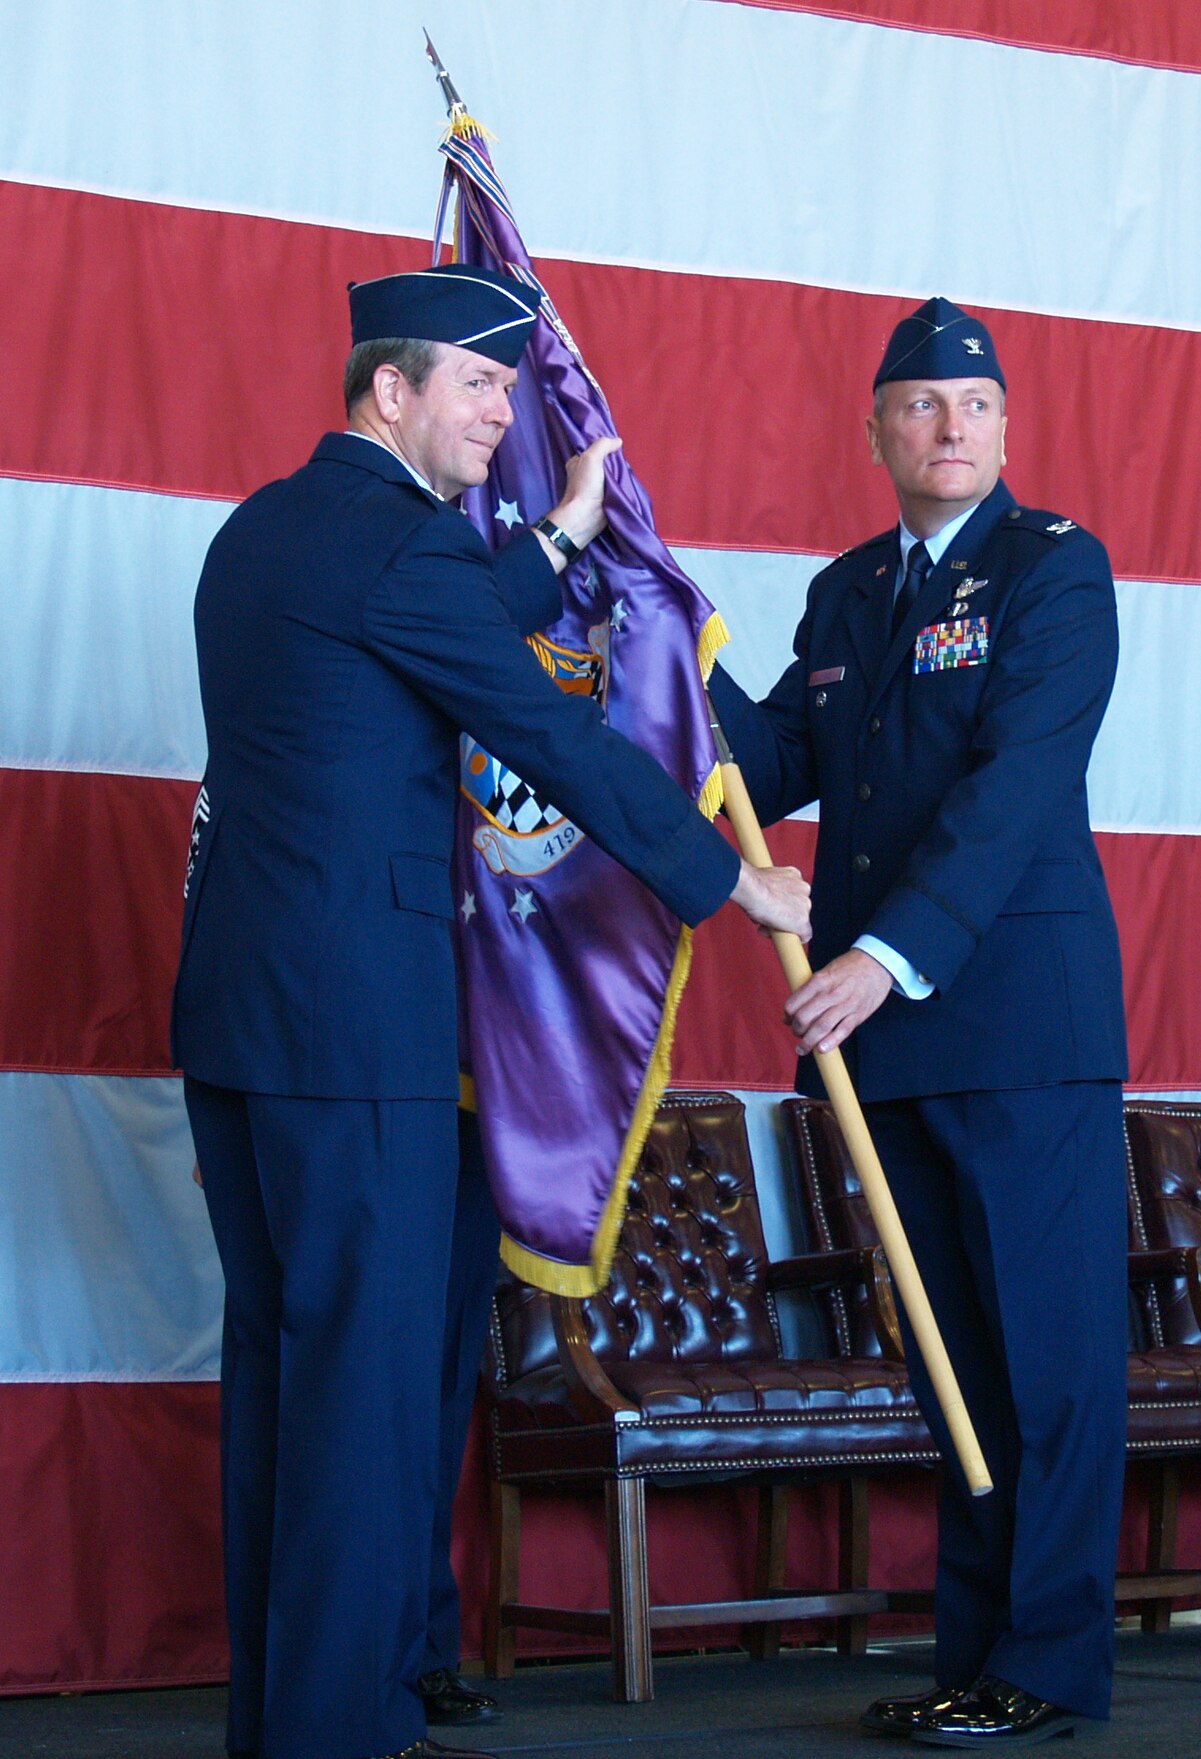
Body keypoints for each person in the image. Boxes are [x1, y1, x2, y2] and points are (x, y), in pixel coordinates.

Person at [173, 263, 810, 1759]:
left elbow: (430, 624)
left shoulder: (262, 533)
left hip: (241, 1028)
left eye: (510, 390)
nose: (502, 411)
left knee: (280, 1376)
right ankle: (335, 1733)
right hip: (360, 1043)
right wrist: (729, 882)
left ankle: (285, 1720)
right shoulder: (399, 553)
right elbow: (545, 728)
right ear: (389, 392)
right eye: (477, 387)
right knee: (362, 1394)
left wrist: (563, 536)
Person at [708, 297, 1129, 1747]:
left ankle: (1053, 1660)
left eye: (978, 406)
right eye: (924, 406)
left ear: (1007, 428)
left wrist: (882, 956)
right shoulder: (845, 597)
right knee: (954, 1366)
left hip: (1012, 1022)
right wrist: (649, 624)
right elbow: (768, 753)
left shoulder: (1055, 577)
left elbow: (1010, 794)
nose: (954, 429)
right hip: (891, 1042)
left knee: (1049, 1358)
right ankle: (977, 1657)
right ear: (878, 428)